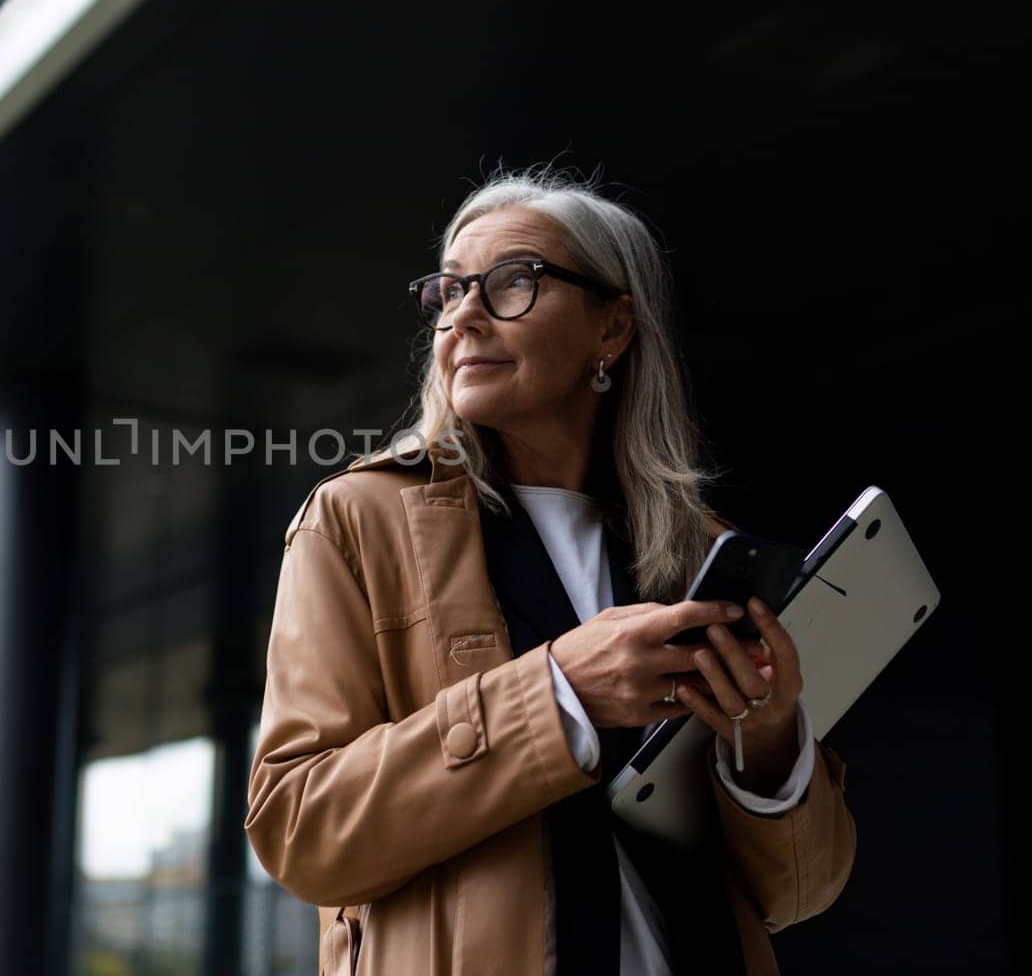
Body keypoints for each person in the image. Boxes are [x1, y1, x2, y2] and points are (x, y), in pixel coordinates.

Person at [243, 166, 856, 975]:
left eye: (512, 282)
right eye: (451, 289)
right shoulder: (358, 518)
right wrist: (559, 691)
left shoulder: (699, 552)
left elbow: (800, 892)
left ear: (614, 329)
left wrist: (772, 743)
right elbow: (298, 827)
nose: (463, 313)